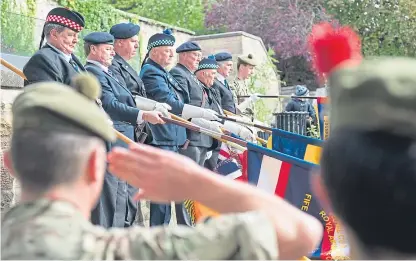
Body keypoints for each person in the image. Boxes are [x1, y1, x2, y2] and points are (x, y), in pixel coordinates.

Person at [1, 75, 323, 260]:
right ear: (96, 165)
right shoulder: (136, 252)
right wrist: (196, 182)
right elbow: (302, 232)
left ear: (9, 163)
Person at [82, 32, 165, 228]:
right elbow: (110, 104)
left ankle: (118, 240)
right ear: (93, 49)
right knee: (111, 198)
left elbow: (128, 98)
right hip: (113, 138)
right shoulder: (93, 73)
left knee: (123, 197)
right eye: (108, 49)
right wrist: (143, 115)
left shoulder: (107, 72)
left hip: (124, 138)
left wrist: (151, 107)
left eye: (112, 49)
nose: (112, 53)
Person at [140, 29, 220, 226]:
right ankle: (160, 239)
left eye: (171, 50)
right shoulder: (151, 71)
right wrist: (201, 115)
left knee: (170, 195)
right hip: (162, 137)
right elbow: (169, 103)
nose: (170, 54)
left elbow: (179, 100)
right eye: (167, 50)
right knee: (163, 197)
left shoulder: (163, 72)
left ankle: (169, 234)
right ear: (154, 52)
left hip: (173, 138)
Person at [109, 22, 148, 226]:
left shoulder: (126, 65)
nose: (135, 46)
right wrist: (148, 109)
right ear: (119, 43)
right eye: (133, 42)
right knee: (121, 190)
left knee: (130, 189)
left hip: (132, 131)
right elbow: (125, 98)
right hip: (121, 131)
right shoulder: (113, 66)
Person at [195, 56, 256, 171]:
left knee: (248, 133)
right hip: (211, 125)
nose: (214, 77)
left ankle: (244, 169)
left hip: (221, 119)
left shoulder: (212, 86)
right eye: (228, 65)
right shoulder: (209, 86)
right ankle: (244, 168)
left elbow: (220, 108)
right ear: (203, 74)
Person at [23, 7, 86, 86]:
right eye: (71, 35)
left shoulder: (72, 59)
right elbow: (50, 97)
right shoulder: (42, 60)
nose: (76, 40)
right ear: (54, 34)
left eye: (77, 36)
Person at [230, 53, 260, 120]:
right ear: (242, 67)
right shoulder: (233, 85)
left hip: (250, 119)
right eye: (250, 68)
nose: (252, 72)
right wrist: (250, 100)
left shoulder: (245, 84)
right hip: (241, 120)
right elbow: (236, 110)